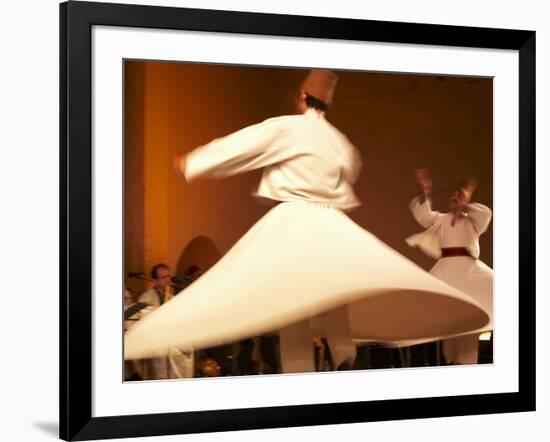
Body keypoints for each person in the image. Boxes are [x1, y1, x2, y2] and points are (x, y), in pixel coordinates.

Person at [125, 70, 489, 373]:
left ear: (303, 95)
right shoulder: (339, 141)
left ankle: (301, 375)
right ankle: (343, 357)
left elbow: (247, 145)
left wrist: (196, 161)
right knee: (330, 294)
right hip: (331, 223)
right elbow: (349, 169)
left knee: (292, 297)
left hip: (296, 217)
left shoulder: (288, 127)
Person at [406, 168, 493, 364]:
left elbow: (486, 214)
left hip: (469, 270)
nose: (455, 197)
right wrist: (426, 190)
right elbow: (423, 215)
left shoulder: (473, 222)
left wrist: (466, 206)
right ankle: (451, 361)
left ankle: (466, 362)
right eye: (454, 194)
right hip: (446, 270)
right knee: (449, 316)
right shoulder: (442, 219)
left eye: (460, 195)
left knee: (471, 316)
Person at [135, 264, 194, 379]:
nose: (168, 280)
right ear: (155, 280)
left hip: (172, 341)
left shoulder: (172, 298)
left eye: (168, 276)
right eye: (163, 277)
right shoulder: (145, 298)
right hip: (156, 344)